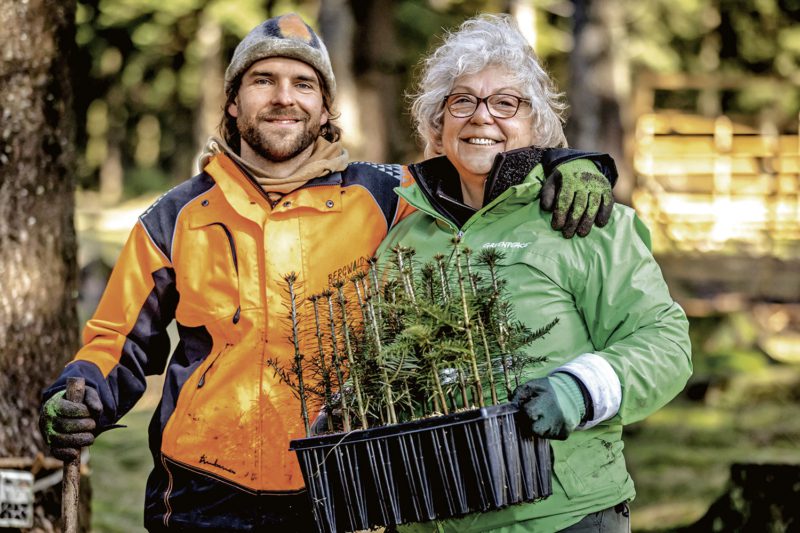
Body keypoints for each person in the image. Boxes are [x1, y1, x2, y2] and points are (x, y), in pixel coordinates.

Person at [38, 13, 618, 531]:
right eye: (263, 81)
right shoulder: (174, 217)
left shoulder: (389, 194)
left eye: (304, 84)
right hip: (201, 490)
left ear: (324, 107)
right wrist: (77, 392)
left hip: (346, 478)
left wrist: (566, 162)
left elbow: (482, 161)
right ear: (233, 102)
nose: (284, 97)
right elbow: (117, 341)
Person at [376, 14, 692, 533]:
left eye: (506, 103)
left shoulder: (584, 221)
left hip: (562, 516)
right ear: (438, 124)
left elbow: (665, 344)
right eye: (462, 102)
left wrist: (578, 390)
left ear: (537, 125)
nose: (482, 118)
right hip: (431, 516)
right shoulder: (406, 240)